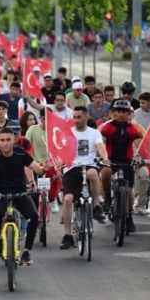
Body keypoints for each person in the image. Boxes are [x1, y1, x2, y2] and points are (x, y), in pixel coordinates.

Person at [0, 127, 49, 263]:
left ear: (14, 141)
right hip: (0, 193)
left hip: (20, 192)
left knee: (34, 216)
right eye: (2, 140)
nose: (5, 143)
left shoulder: (21, 154)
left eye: (8, 140)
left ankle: (27, 251)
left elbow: (37, 170)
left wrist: (43, 169)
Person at [60, 107, 110, 250]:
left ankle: (96, 206)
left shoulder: (94, 133)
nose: (76, 120)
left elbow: (100, 147)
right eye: (74, 117)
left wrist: (105, 158)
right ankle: (67, 235)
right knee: (68, 199)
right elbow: (61, 150)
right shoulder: (67, 133)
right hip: (71, 167)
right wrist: (59, 160)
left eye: (79, 117)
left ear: (86, 117)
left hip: (89, 165)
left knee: (93, 174)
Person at [99, 100, 142, 233]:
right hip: (111, 161)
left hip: (127, 162)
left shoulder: (131, 128)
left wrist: (141, 156)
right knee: (105, 172)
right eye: (118, 111)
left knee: (129, 191)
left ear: (128, 114)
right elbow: (102, 141)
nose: (121, 114)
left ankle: (129, 217)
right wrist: (101, 157)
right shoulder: (108, 127)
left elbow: (138, 144)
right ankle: (106, 196)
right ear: (113, 113)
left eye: (124, 112)